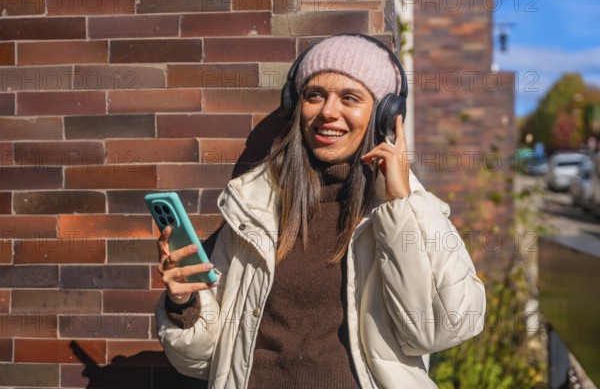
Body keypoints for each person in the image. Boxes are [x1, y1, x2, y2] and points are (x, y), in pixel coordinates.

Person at [155, 34, 486, 388]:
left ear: (386, 116)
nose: (328, 111)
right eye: (315, 95)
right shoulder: (253, 206)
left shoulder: (408, 208)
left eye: (350, 97)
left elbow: (442, 327)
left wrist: (400, 205)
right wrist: (184, 303)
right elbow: (203, 359)